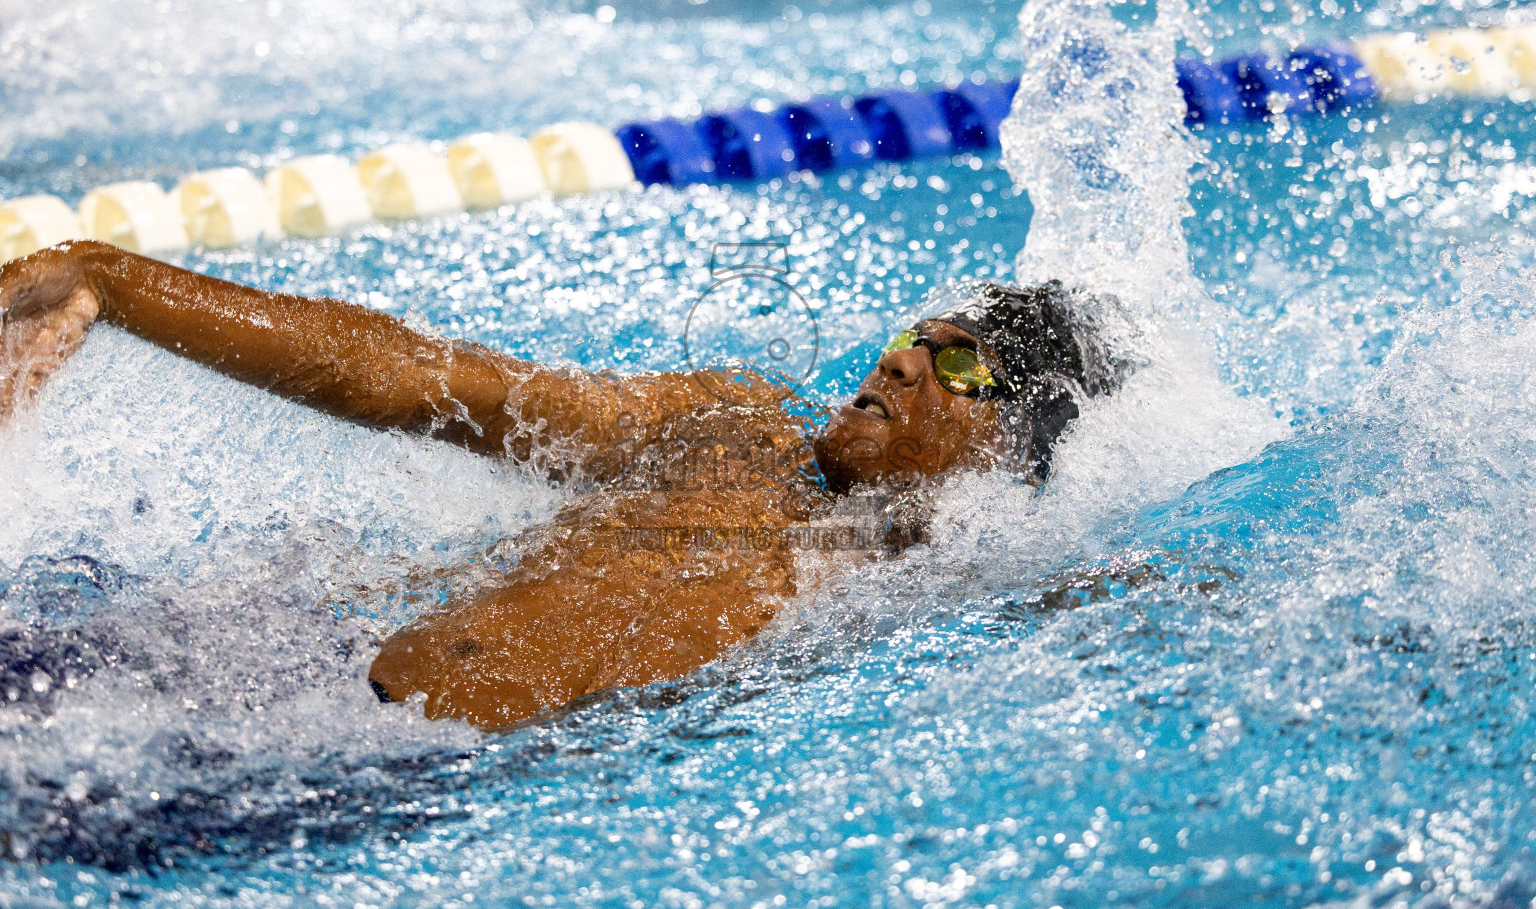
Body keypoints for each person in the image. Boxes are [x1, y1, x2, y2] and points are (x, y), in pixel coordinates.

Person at [0, 240, 1117, 729]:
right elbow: (425, 379)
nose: (908, 357)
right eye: (922, 333)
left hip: (348, 775)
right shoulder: (720, 425)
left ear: (1011, 446)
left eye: (964, 363)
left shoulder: (965, 585)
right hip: (242, 669)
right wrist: (115, 281)